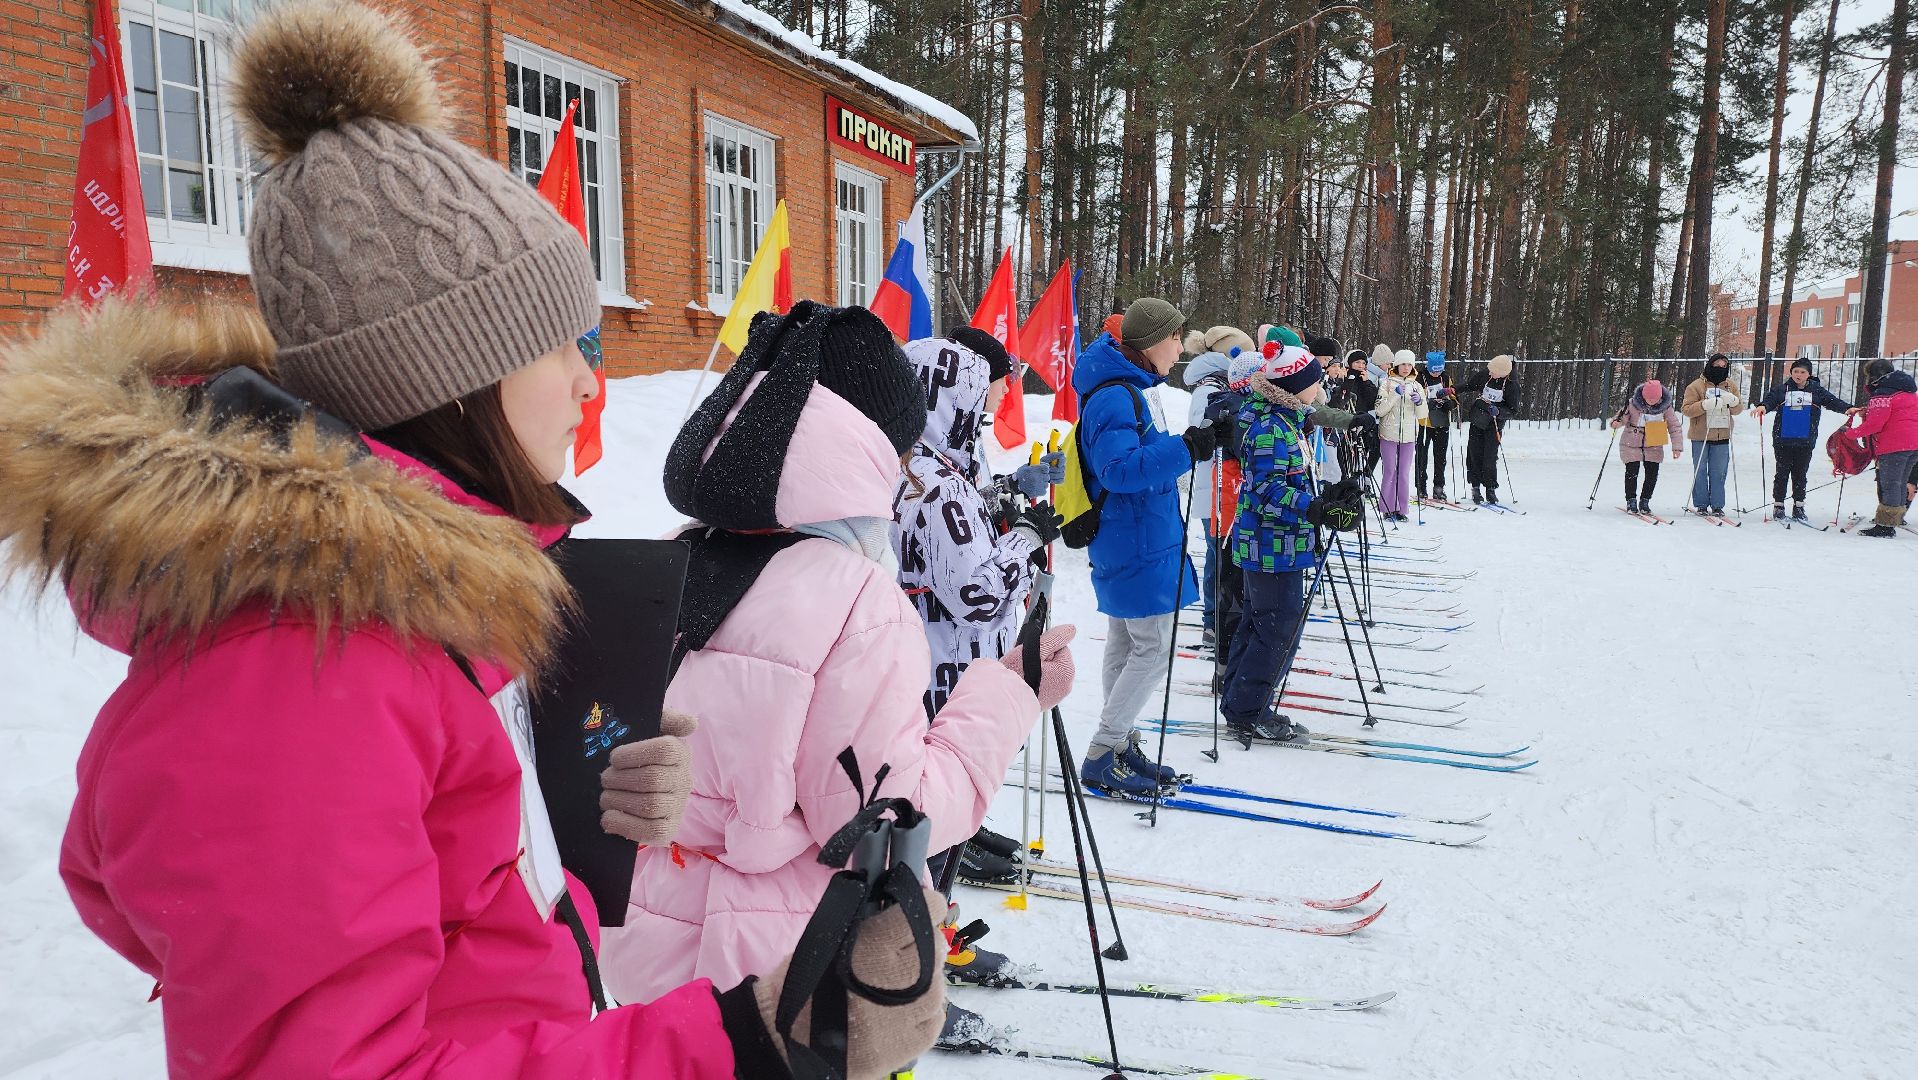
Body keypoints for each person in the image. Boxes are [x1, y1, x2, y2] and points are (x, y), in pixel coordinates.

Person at [0, 5, 942, 1076]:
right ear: (449, 375)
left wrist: (576, 816)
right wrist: (734, 1045)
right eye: (564, 344)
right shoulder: (303, 669)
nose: (593, 381)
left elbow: (451, 912)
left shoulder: (408, 608)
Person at [608, 300, 1076, 1065]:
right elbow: (888, 810)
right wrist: (1010, 692)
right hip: (777, 968)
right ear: (859, 446)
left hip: (646, 941)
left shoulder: (673, 553)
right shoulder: (855, 601)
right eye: (895, 448)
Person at [1072, 297, 1207, 796]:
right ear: (1152, 342)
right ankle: (1104, 751)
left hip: (1135, 537)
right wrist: (1190, 448)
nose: (1179, 346)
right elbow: (1120, 470)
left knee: (1127, 644)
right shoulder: (1116, 396)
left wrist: (1186, 446)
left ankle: (1120, 745)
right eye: (1175, 337)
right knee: (1152, 649)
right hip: (1136, 541)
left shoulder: (1132, 389)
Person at [1218, 342, 1364, 743]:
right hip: (1270, 546)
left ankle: (1239, 701)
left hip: (1277, 543)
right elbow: (1265, 487)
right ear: (1297, 384)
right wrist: (1313, 509)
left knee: (1261, 623)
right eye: (1314, 380)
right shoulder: (1271, 427)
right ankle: (1249, 711)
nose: (1319, 386)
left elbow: (1290, 479)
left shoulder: (1285, 419)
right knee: (1277, 629)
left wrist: (1329, 496)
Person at [1182, 326, 1255, 644]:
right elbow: (1202, 434)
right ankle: (1214, 618)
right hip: (1216, 482)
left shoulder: (1227, 383)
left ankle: (1226, 614)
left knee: (1227, 552)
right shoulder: (1209, 388)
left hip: (1229, 481)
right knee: (1220, 552)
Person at [1750, 358, 1852, 521]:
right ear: (1791, 373)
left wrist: (1847, 408)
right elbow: (1770, 400)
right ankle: (1779, 506)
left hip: (1805, 440)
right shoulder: (1782, 389)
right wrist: (1763, 406)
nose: (1798, 374)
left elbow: (1833, 402)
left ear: (1809, 374)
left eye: (1802, 372)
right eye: (1796, 371)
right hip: (1783, 440)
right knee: (1781, 474)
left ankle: (1799, 507)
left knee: (1800, 474)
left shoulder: (1817, 391)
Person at [1839, 358, 1918, 538]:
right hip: (1913, 444)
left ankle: (1885, 527)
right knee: (1899, 483)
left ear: (1874, 377)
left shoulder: (1882, 394)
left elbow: (1875, 425)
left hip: (1894, 445)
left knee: (1890, 484)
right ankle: (1893, 520)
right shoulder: (1908, 392)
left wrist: (1850, 433)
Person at [1679, 353, 1744, 515]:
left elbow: (1738, 409)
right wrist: (1704, 405)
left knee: (1719, 471)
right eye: (1717, 366)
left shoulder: (1730, 385)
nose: (1720, 369)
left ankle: (1717, 505)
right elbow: (1686, 409)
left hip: (1722, 435)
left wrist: (1734, 402)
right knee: (1700, 470)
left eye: (1724, 366)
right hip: (1700, 435)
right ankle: (1701, 503)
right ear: (1710, 365)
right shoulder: (1696, 386)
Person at [1610, 378, 1685, 513]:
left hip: (1654, 442)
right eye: (1649, 399)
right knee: (1632, 472)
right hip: (1631, 441)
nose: (1651, 401)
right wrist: (1617, 422)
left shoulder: (1665, 407)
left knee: (1652, 474)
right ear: (1643, 396)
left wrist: (1677, 447)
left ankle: (1645, 500)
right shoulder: (1633, 404)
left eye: (1654, 399)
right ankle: (1631, 500)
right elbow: (1622, 417)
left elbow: (1674, 426)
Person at [1374, 349, 1428, 522]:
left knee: (1404, 473)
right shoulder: (1386, 383)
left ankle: (1402, 509)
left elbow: (1423, 415)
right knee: (1390, 471)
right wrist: (1395, 395)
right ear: (1396, 365)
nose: (1406, 367)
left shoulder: (1417, 385)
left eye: (1409, 364)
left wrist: (1419, 402)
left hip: (1409, 436)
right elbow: (1380, 410)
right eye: (1403, 364)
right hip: (1389, 433)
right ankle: (1387, 507)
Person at [1459, 353, 1518, 503]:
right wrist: (1452, 390)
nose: (1489, 372)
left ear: (1503, 372)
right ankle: (1475, 487)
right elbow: (1469, 385)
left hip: (1495, 424)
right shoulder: (1485, 375)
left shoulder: (1512, 385)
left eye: (1493, 371)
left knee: (1490, 457)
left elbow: (1513, 410)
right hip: (1478, 419)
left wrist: (1499, 412)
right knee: (1474, 453)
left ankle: (1490, 489)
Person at [1416, 351, 1457, 502]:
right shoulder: (1420, 378)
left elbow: (1454, 396)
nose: (1436, 373)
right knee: (1422, 456)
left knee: (1440, 457)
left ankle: (1439, 486)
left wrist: (1450, 403)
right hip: (1424, 422)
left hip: (1441, 422)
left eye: (1439, 370)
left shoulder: (1445, 378)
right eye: (1434, 370)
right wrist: (1429, 403)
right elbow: (1414, 399)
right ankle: (1421, 486)